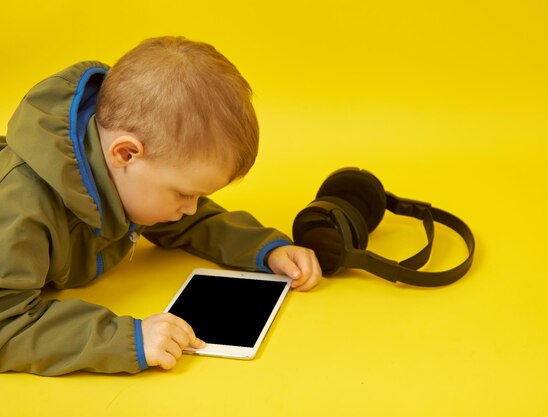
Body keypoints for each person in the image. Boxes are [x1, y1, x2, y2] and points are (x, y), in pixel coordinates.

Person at [0, 36, 322, 376]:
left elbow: (186, 222)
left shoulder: (125, 178)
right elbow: (5, 325)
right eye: (184, 194)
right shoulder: (18, 211)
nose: (191, 207)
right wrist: (127, 339)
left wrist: (265, 249)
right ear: (125, 154)